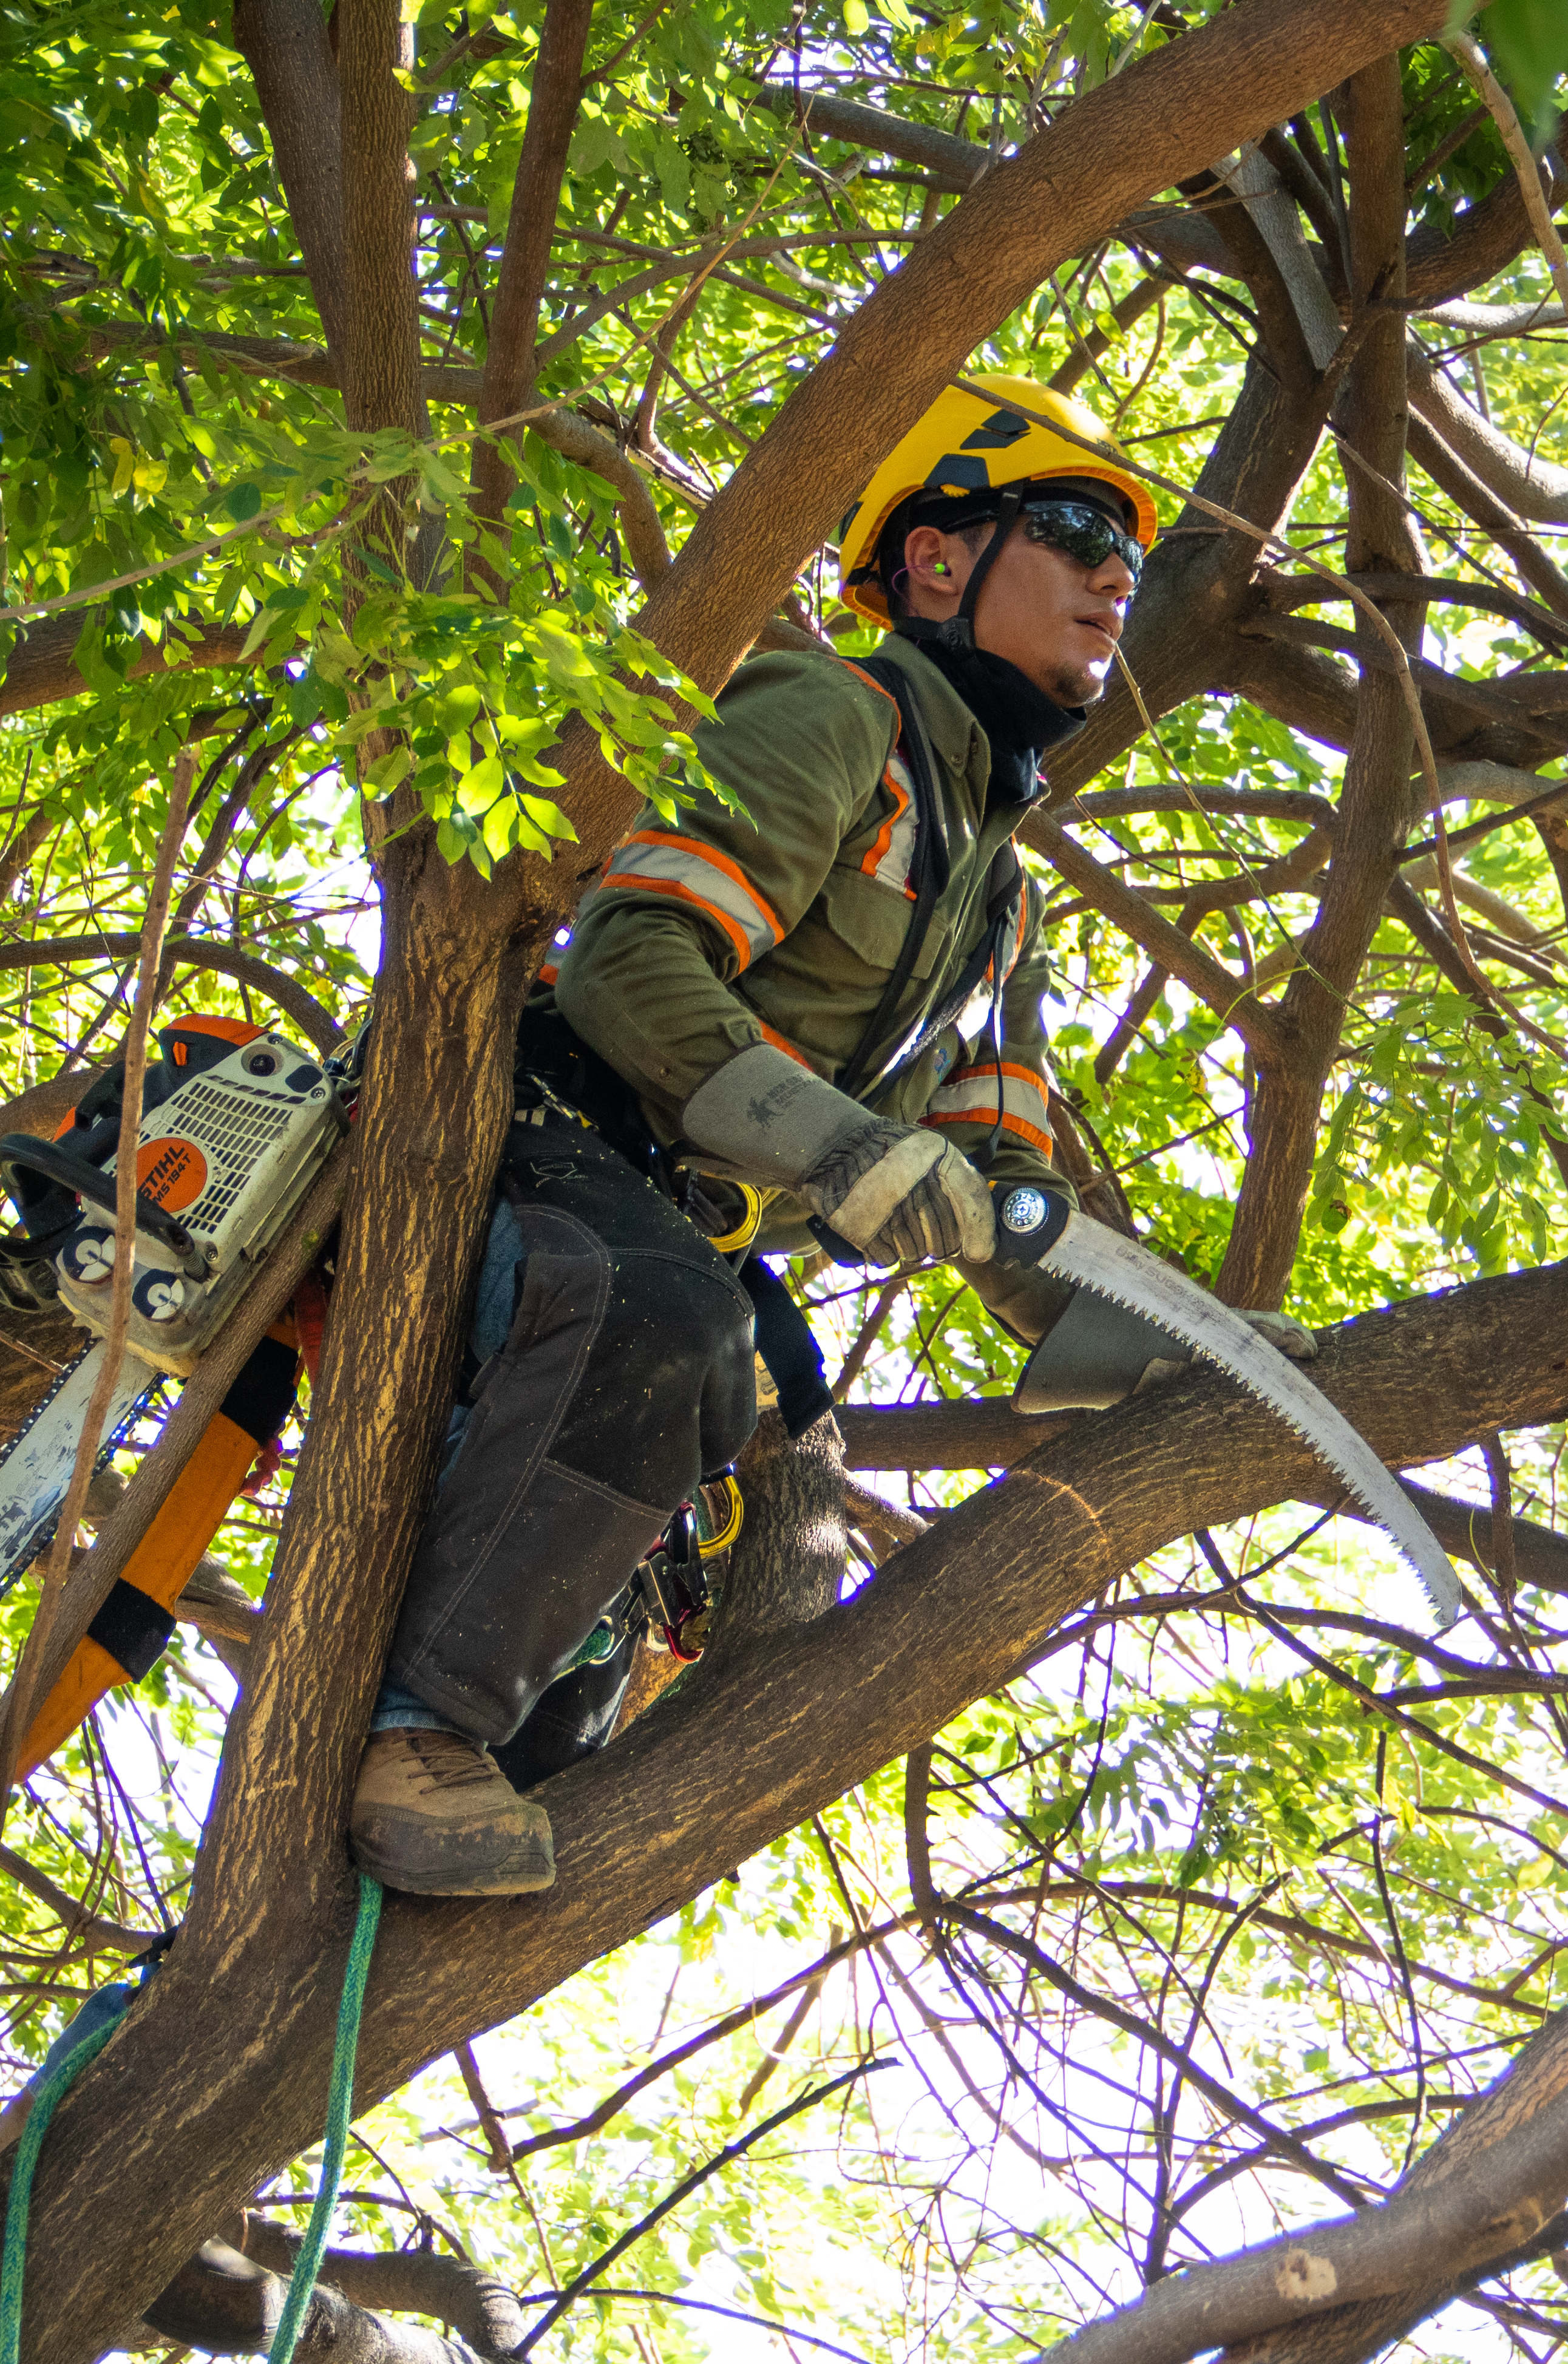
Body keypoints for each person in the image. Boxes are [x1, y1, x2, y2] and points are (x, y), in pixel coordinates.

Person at [348, 375, 1315, 1898]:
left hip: (670, 1226)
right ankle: (418, 1733)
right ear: (937, 560)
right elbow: (629, 963)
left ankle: (457, 1802)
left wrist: (1182, 1343)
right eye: (1072, 531)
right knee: (673, 1326)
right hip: (542, 1134)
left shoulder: (999, 899)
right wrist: (844, 1148)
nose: (1116, 575)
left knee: (651, 1570)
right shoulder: (835, 718)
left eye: (1126, 553)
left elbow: (1008, 1193)